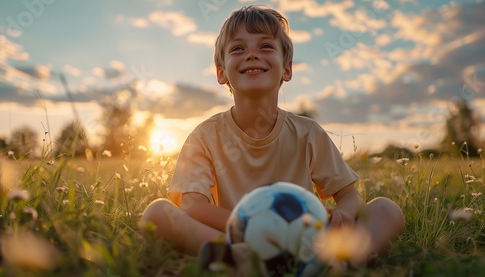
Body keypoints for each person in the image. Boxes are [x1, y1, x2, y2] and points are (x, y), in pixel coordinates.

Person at [141, 4, 404, 272]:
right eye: (238, 49)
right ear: (221, 72)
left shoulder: (308, 133)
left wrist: (344, 214)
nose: (252, 55)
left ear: (287, 69)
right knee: (157, 213)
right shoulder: (205, 136)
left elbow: (349, 194)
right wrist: (252, 228)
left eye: (265, 46)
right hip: (237, 240)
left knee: (386, 209)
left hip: (308, 242)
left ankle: (341, 260)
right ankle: (240, 258)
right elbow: (192, 206)